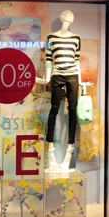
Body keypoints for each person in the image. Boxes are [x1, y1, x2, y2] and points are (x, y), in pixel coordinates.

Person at [42, 10, 82, 172]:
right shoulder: (50, 38)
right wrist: (47, 77)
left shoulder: (76, 38)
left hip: (73, 75)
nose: (70, 17)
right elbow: (48, 59)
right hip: (57, 74)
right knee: (54, 110)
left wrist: (81, 79)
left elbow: (77, 60)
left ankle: (68, 155)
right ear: (62, 18)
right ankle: (50, 154)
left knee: (72, 111)